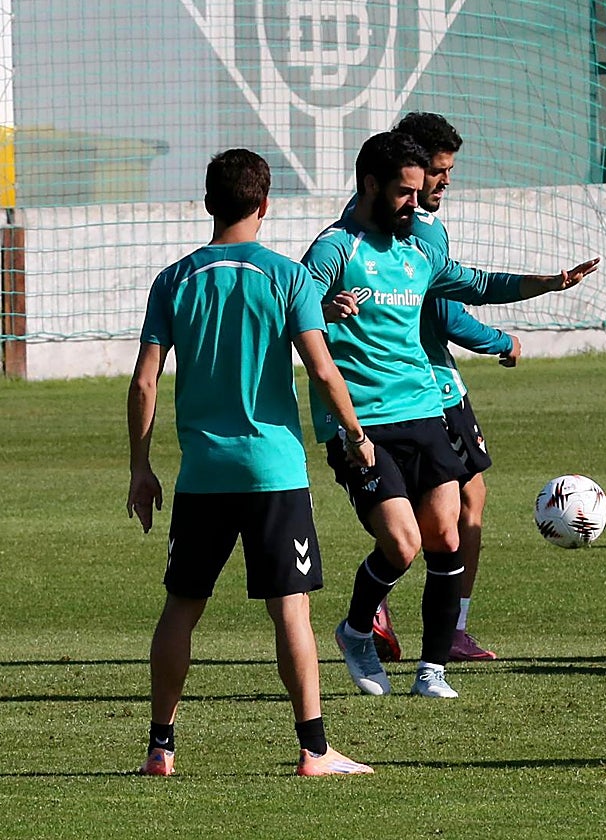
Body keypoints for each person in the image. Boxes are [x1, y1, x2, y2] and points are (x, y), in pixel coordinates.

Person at [306, 130, 597, 699]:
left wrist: (548, 283)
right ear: (371, 185)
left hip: (422, 409)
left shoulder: (418, 249)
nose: (415, 204)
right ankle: (355, 630)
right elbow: (289, 309)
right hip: (362, 421)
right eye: (405, 192)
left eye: (420, 192)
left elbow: (477, 284)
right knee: (402, 544)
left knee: (445, 534)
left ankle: (431, 671)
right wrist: (323, 308)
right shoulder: (336, 248)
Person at [126, 149, 375, 777]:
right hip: (273, 472)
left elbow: (145, 381)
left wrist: (140, 467)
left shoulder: (173, 280)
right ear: (265, 204)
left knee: (181, 606)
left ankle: (160, 747)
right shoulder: (289, 277)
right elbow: (322, 369)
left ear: (209, 203)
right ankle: (314, 750)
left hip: (202, 473)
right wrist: (356, 433)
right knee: (291, 609)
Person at [360, 112, 521, 664]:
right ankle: (446, 627)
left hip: (404, 390)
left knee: (427, 508)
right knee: (459, 506)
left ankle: (390, 608)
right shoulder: (419, 229)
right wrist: (501, 341)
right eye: (439, 171)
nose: (445, 182)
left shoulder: (369, 220)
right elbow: (448, 313)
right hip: (430, 388)